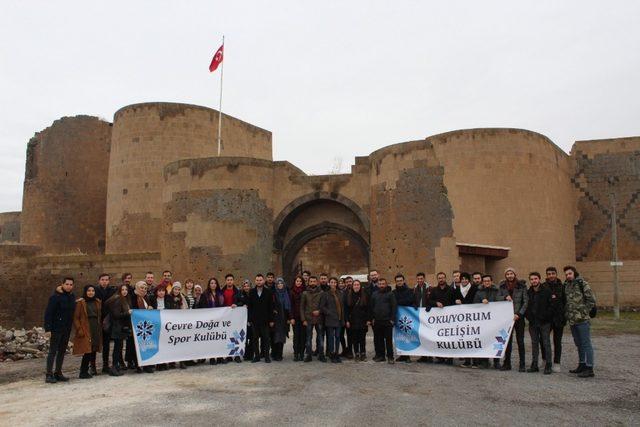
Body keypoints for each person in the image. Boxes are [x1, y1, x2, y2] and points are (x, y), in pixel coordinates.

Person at [564, 265, 596, 378]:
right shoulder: (566, 285)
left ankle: (589, 367)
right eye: (566, 274)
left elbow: (591, 299)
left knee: (586, 343)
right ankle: (582, 364)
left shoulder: (582, 283)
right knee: (579, 344)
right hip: (572, 320)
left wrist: (584, 312)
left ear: (574, 273)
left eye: (570, 273)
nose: (568, 276)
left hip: (582, 320)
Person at [44, 277, 76, 383]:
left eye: (71, 284)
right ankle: (49, 374)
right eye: (67, 284)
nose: (69, 286)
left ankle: (58, 372)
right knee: (52, 351)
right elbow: (49, 313)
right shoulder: (55, 297)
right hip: (56, 328)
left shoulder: (72, 297)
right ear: (62, 284)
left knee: (62, 351)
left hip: (66, 329)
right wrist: (48, 328)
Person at [473, 274, 508, 369]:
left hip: (496, 320)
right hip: (484, 321)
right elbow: (474, 304)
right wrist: (481, 302)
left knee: (497, 340)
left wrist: (505, 298)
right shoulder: (479, 292)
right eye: (485, 281)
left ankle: (496, 361)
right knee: (485, 340)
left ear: (491, 281)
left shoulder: (497, 290)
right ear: (482, 282)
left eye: (488, 281)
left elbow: (500, 299)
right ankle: (485, 361)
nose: (487, 282)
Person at [499, 267, 529, 372]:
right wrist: (504, 297)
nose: (510, 275)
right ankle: (507, 363)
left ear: (515, 274)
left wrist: (519, 314)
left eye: (511, 273)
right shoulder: (502, 286)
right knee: (507, 341)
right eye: (507, 274)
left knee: (520, 341)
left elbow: (525, 302)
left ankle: (522, 364)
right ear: (505, 276)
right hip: (507, 318)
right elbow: (498, 297)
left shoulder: (522, 286)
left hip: (518, 318)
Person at [525, 272, 553, 375]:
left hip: (544, 322)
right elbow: (526, 306)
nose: (533, 281)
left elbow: (551, 306)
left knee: (546, 343)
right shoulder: (529, 292)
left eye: (535, 279)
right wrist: (529, 317)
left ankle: (548, 364)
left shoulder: (546, 291)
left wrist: (545, 316)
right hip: (533, 323)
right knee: (534, 343)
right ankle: (534, 364)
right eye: (531, 279)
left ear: (539, 279)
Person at [73, 285, 102, 379]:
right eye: (89, 291)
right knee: (87, 350)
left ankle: (92, 368)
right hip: (86, 326)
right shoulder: (81, 303)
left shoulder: (97, 302)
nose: (91, 292)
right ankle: (83, 371)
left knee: (93, 348)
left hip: (95, 327)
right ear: (85, 292)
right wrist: (79, 329)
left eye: (93, 291)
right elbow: (76, 317)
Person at [105, 284, 132, 376]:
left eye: (126, 289)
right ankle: (113, 367)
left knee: (119, 348)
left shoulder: (124, 299)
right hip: (117, 327)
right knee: (117, 348)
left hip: (120, 327)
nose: (124, 291)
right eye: (122, 289)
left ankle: (116, 366)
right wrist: (127, 312)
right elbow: (116, 315)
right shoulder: (117, 299)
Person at [369, 278, 397, 364]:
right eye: (380, 284)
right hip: (377, 321)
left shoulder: (390, 294)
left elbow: (394, 307)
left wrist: (392, 319)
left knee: (388, 340)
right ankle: (381, 356)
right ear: (378, 285)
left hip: (387, 321)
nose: (381, 285)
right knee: (378, 340)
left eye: (383, 284)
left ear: (386, 284)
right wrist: (372, 318)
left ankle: (390, 357)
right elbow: (371, 307)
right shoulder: (374, 294)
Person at [544, 266, 566, 372]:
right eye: (549, 274)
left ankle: (557, 362)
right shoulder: (543, 286)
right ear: (546, 275)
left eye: (553, 273)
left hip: (559, 318)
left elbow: (565, 302)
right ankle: (545, 360)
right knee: (544, 340)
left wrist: (564, 316)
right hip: (547, 319)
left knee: (557, 341)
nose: (551, 275)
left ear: (556, 274)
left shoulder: (562, 286)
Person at [248, 274, 274, 363]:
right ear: (255, 281)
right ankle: (257, 356)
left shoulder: (268, 292)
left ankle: (267, 356)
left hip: (265, 320)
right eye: (257, 280)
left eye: (260, 280)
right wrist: (250, 319)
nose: (259, 282)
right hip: (255, 320)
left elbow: (271, 307)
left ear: (263, 281)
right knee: (255, 339)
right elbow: (250, 307)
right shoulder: (251, 292)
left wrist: (271, 320)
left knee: (266, 339)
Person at [454, 272, 478, 368]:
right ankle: (467, 361)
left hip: (472, 318)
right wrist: (455, 301)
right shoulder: (457, 290)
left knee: (474, 339)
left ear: (469, 280)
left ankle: (475, 361)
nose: (464, 280)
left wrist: (462, 302)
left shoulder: (474, 289)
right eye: (462, 279)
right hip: (462, 319)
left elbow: (475, 301)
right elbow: (452, 300)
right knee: (465, 339)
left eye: (466, 279)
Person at [129, 281, 154, 373]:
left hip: (145, 326)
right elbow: (133, 310)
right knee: (136, 347)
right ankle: (138, 365)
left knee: (145, 346)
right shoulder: (132, 298)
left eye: (145, 288)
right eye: (141, 288)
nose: (143, 289)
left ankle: (147, 365)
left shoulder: (146, 298)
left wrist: (150, 309)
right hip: (136, 326)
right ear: (136, 288)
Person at [430, 272, 455, 364]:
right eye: (439, 278)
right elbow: (429, 301)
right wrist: (436, 303)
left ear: (445, 278)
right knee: (439, 337)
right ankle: (440, 356)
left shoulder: (451, 289)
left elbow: (454, 301)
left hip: (449, 318)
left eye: (443, 278)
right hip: (438, 319)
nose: (441, 279)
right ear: (437, 279)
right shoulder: (434, 290)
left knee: (449, 338)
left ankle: (449, 357)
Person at [319, 277, 345, 363]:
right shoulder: (325, 294)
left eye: (335, 282)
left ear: (336, 284)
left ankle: (336, 353)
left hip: (339, 319)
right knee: (330, 338)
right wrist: (329, 312)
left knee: (338, 337)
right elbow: (322, 307)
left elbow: (342, 307)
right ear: (329, 283)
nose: (333, 284)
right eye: (332, 282)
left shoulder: (340, 293)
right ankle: (332, 354)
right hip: (330, 319)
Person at [300, 276, 326, 362]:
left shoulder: (321, 293)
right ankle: (309, 355)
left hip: (319, 318)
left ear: (317, 282)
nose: (312, 283)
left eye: (314, 281)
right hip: (308, 318)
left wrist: (319, 311)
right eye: (311, 281)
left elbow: (324, 305)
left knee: (320, 337)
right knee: (308, 337)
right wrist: (303, 319)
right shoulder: (305, 293)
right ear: (308, 282)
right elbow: (302, 307)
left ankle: (321, 354)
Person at [94, 273, 115, 374]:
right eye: (102, 279)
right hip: (96, 320)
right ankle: (92, 366)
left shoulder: (112, 291)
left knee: (106, 344)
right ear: (99, 280)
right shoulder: (94, 290)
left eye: (106, 280)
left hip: (107, 319)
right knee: (94, 344)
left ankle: (105, 365)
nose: (104, 282)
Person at [345, 279, 368, 361]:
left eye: (358, 284)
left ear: (360, 286)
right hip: (353, 320)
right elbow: (346, 310)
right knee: (354, 338)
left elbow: (368, 309)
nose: (356, 286)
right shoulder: (349, 295)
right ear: (352, 286)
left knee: (362, 338)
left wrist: (368, 319)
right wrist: (347, 320)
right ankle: (357, 353)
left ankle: (363, 353)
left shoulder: (364, 295)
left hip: (362, 320)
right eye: (355, 285)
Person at [393, 273, 414, 363]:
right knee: (399, 337)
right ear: (395, 282)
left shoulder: (409, 291)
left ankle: (407, 355)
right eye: (397, 281)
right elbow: (393, 303)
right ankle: (402, 355)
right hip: (398, 317)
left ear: (404, 281)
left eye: (401, 281)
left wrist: (399, 302)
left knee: (407, 336)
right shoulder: (393, 292)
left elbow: (409, 301)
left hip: (407, 318)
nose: (399, 282)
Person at [413, 272, 432, 363]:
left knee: (428, 335)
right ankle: (423, 355)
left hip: (428, 314)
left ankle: (430, 355)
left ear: (424, 279)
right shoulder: (415, 288)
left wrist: (430, 305)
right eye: (418, 279)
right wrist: (414, 305)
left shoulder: (429, 288)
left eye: (421, 278)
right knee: (421, 335)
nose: (420, 280)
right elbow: (413, 299)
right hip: (419, 314)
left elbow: (432, 299)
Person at [272, 278, 292, 361]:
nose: (280, 285)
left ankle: (280, 354)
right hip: (276, 319)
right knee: (276, 337)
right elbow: (271, 305)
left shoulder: (286, 294)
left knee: (282, 337)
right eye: (278, 284)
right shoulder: (273, 294)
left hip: (284, 319)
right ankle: (275, 354)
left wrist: (289, 318)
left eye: (281, 283)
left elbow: (289, 307)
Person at [289, 275, 306, 361]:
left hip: (303, 318)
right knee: (296, 336)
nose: (298, 283)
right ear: (295, 282)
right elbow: (290, 306)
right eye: (297, 281)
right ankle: (296, 353)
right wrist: (291, 317)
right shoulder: (291, 292)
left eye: (300, 281)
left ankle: (302, 353)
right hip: (295, 317)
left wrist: (305, 318)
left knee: (303, 336)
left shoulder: (305, 291)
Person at [238, 279, 254, 361]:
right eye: (245, 286)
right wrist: (242, 305)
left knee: (252, 338)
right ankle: (245, 354)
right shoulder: (240, 294)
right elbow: (237, 303)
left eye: (248, 286)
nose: (246, 287)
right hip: (243, 320)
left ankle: (251, 354)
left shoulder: (253, 294)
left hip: (252, 319)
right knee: (245, 338)